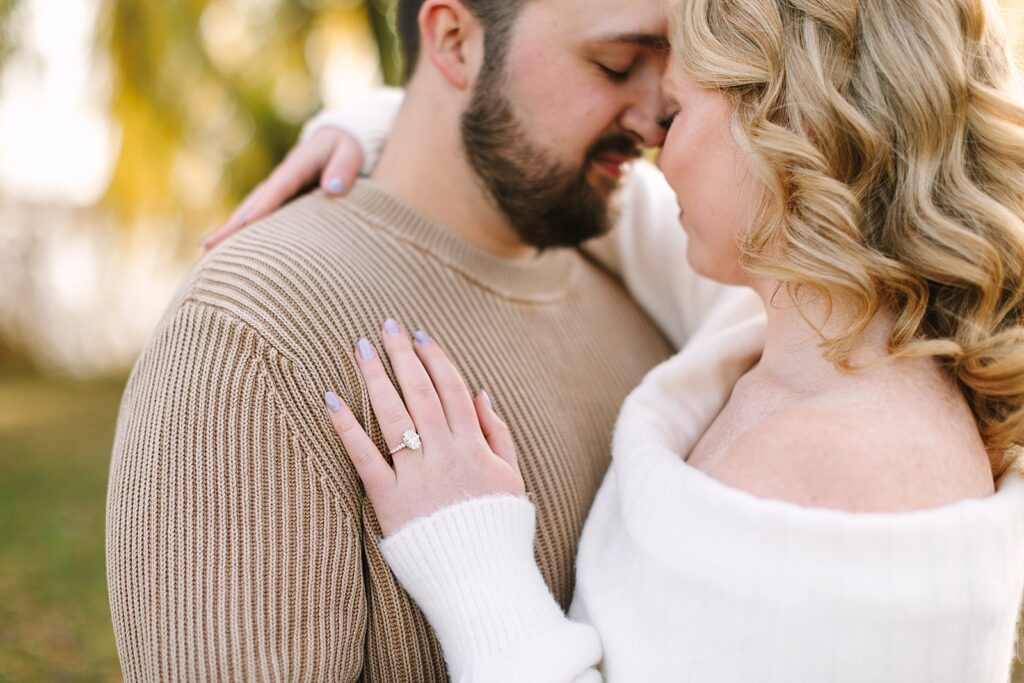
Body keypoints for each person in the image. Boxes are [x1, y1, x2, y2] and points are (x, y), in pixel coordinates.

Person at [240, 0, 1024, 680]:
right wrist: (401, 122)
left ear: (792, 125)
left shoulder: (846, 468)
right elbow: (592, 196)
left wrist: (473, 563)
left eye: (677, 111)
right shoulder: (800, 335)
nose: (653, 139)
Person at [105, 0, 730, 680]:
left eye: (673, 65)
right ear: (455, 41)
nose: (659, 114)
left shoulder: (651, 279)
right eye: (615, 65)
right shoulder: (249, 337)